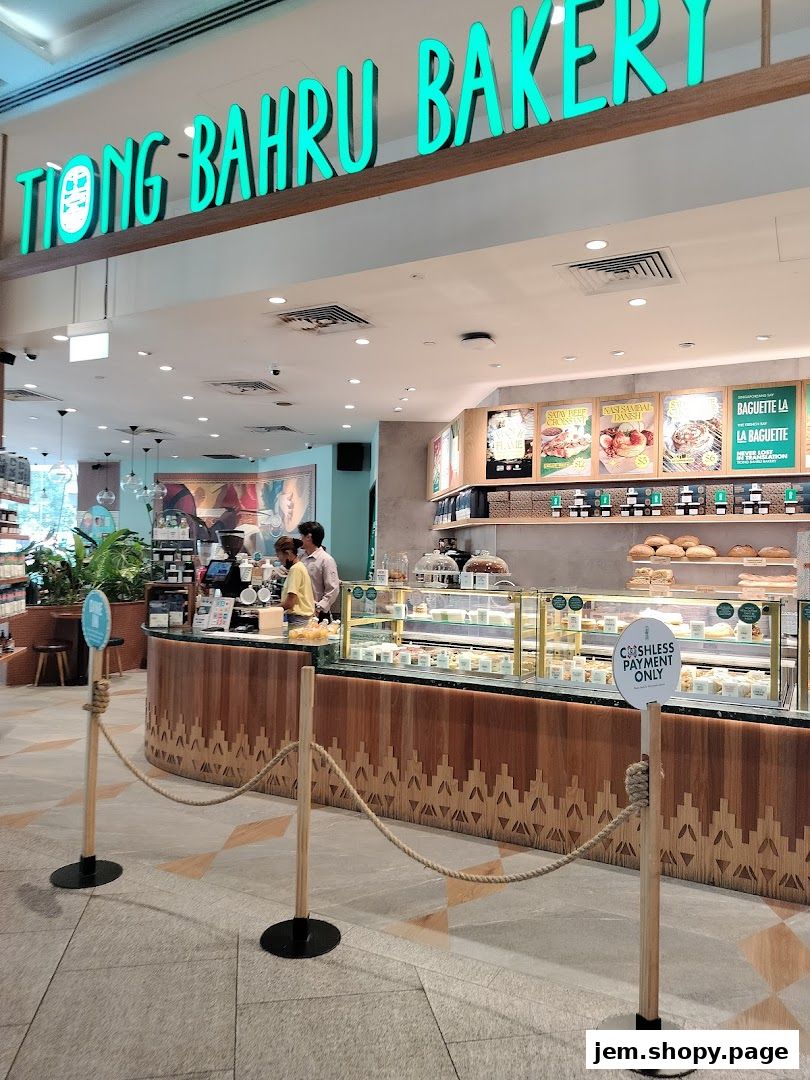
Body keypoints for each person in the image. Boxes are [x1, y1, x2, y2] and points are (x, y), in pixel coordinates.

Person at [297, 520, 340, 621]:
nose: (300, 539)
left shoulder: (326, 560)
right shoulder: (300, 558)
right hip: (301, 612)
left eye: (302, 536)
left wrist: (319, 608)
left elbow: (333, 588)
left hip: (318, 615)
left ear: (309, 537)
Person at [274, 536, 315, 628]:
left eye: (279, 555)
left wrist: (269, 611)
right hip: (301, 620)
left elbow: (290, 602)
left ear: (288, 553)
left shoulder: (296, 569)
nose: (279, 559)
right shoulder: (299, 567)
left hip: (299, 621)